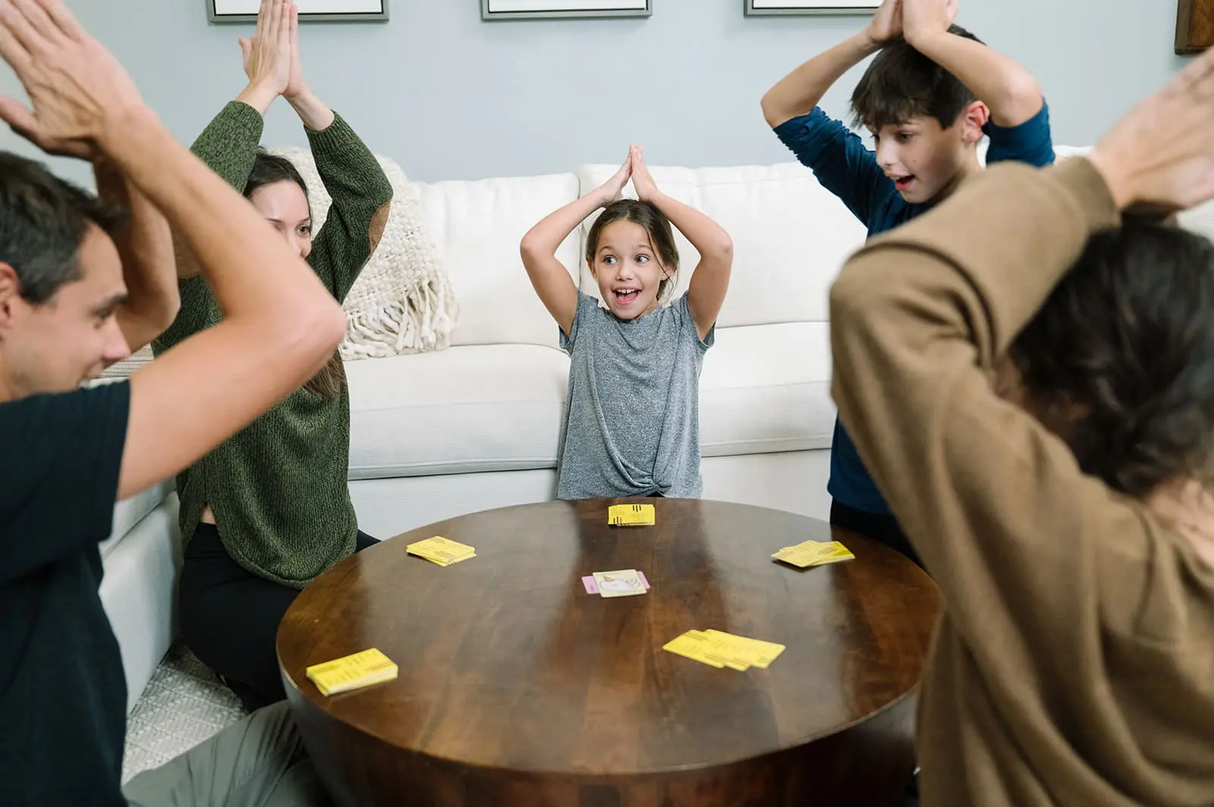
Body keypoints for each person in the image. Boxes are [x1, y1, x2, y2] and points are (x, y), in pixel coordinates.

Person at [828, 41, 1214, 806]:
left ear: (1080, 398)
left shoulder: (1082, 553)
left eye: (1012, 359)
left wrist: (1111, 171)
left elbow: (882, 309)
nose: (993, 372)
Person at [0, 0, 345, 804]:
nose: (119, 346)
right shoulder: (18, 454)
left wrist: (109, 155)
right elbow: (306, 318)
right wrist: (124, 121)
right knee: (358, 733)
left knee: (336, 715)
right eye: (92, 317)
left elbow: (151, 304)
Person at [152, 0, 394, 712]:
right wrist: (257, 91)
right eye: (267, 229)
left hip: (331, 556)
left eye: (301, 229)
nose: (292, 248)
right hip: (234, 578)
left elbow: (368, 198)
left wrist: (301, 92)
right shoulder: (198, 308)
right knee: (351, 692)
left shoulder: (313, 292)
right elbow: (188, 201)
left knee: (441, 619)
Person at [761, 0, 1054, 567]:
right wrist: (872, 38)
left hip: (959, 501)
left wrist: (930, 36)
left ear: (972, 122)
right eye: (875, 136)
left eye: (904, 135)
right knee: (863, 642)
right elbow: (782, 108)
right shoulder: (884, 194)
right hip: (861, 490)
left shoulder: (1012, 202)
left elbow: (1018, 96)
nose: (886, 157)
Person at [521, 145, 732, 499]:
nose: (624, 273)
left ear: (666, 266)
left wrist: (653, 196)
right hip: (591, 510)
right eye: (609, 259)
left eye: (641, 258)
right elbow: (533, 247)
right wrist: (601, 196)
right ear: (592, 266)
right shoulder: (584, 322)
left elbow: (720, 248)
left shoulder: (686, 324)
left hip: (672, 508)